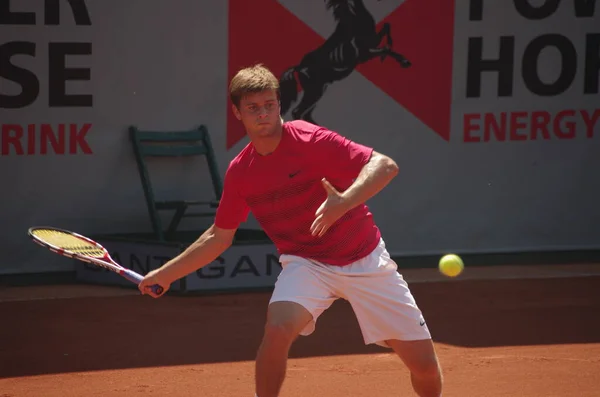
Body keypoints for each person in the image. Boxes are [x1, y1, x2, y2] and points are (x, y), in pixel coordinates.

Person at [138, 64, 443, 397]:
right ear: (237, 112)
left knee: (424, 366)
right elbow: (218, 237)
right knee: (278, 327)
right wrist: (165, 274)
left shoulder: (311, 140)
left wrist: (344, 202)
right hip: (306, 262)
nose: (263, 113)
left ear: (278, 104)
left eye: (269, 104)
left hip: (365, 258)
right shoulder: (242, 172)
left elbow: (385, 166)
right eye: (253, 107)